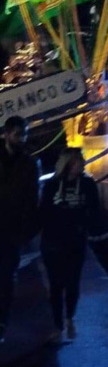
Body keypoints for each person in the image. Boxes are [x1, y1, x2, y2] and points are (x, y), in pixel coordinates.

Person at [40, 148, 99, 342]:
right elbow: (43, 211)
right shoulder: (51, 185)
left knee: (73, 283)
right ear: (68, 164)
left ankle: (70, 317)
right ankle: (58, 325)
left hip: (75, 241)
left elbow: (95, 210)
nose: (82, 164)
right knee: (56, 285)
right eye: (78, 161)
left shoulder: (88, 184)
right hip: (53, 242)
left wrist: (86, 226)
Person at [0, 115, 39, 341]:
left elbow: (32, 198)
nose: (22, 139)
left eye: (24, 134)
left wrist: (27, 230)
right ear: (6, 134)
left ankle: (2, 321)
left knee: (6, 276)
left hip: (12, 230)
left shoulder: (30, 163)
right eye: (18, 134)